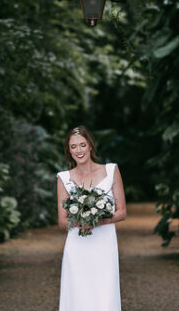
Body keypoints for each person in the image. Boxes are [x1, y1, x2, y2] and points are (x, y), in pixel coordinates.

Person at [55, 125, 127, 311]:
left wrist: (98, 220)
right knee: (78, 293)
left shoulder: (111, 170)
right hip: (78, 245)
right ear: (69, 151)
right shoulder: (64, 178)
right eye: (73, 147)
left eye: (82, 145)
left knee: (105, 292)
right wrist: (82, 221)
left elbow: (122, 212)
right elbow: (63, 221)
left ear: (90, 146)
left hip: (104, 244)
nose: (78, 150)